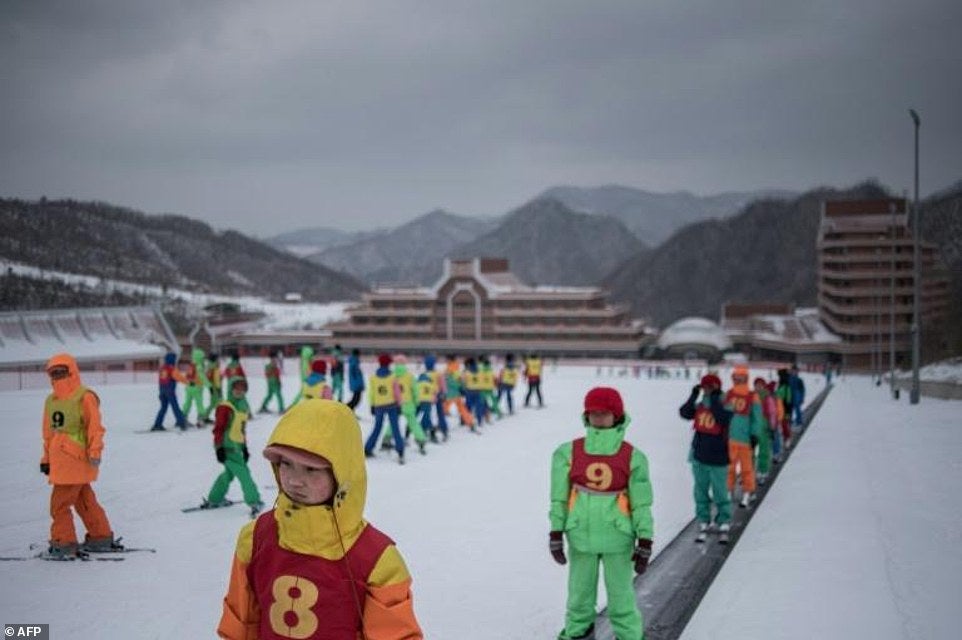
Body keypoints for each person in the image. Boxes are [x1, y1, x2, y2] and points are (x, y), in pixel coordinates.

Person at [216, 400, 423, 639]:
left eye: (311, 469)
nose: (294, 480)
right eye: (286, 464)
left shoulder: (377, 559)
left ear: (342, 474)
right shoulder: (255, 539)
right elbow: (241, 624)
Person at [549, 387, 653, 640]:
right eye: (593, 413)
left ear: (616, 416)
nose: (598, 418)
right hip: (580, 538)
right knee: (578, 598)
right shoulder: (567, 452)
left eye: (604, 413)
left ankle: (630, 636)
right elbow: (559, 498)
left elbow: (641, 504)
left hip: (618, 539)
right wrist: (556, 532)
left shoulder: (633, 457)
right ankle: (577, 634)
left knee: (621, 599)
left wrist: (645, 538)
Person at [40, 353, 121, 558]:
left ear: (72, 371)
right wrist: (46, 459)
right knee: (84, 499)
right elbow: (48, 433)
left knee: (59, 505)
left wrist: (95, 451)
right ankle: (100, 537)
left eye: (61, 371)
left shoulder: (84, 396)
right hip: (61, 461)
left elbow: (95, 428)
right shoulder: (51, 400)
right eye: (53, 373)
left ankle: (64, 543)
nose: (57, 376)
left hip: (76, 459)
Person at [679, 374, 734, 543]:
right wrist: (693, 395)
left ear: (716, 387)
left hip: (719, 457)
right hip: (699, 456)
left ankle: (723, 519)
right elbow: (684, 413)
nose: (706, 390)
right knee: (700, 491)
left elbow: (722, 418)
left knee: (720, 492)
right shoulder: (701, 404)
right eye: (704, 387)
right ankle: (704, 518)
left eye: (709, 387)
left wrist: (715, 399)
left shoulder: (726, 402)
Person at [204, 377, 263, 517]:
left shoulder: (243, 406)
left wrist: (244, 448)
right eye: (236, 388)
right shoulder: (225, 407)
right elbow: (218, 429)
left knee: (229, 474)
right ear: (231, 389)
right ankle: (254, 501)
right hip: (227, 447)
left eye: (243, 389)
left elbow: (241, 429)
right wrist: (219, 448)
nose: (239, 391)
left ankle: (215, 498)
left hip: (237, 447)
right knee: (244, 474)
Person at [724, 366, 763, 508]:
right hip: (732, 438)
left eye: (740, 378)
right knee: (731, 467)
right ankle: (731, 490)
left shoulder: (752, 396)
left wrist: (754, 435)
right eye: (736, 377)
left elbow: (757, 418)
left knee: (746, 468)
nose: (738, 380)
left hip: (744, 439)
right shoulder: (730, 394)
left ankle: (746, 492)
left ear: (746, 379)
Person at [364, 353, 405, 464]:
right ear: (389, 364)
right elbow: (397, 393)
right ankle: (400, 451)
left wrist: (372, 405)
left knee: (377, 427)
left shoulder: (373, 378)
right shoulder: (393, 377)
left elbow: (371, 393)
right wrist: (400, 404)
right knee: (395, 428)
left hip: (379, 406)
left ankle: (368, 448)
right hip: (392, 405)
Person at [152, 351, 188, 431]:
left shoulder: (163, 368)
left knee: (163, 408)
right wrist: (187, 382)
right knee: (175, 407)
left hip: (162, 391)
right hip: (170, 391)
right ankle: (182, 423)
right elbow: (179, 377)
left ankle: (157, 424)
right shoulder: (172, 368)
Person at [752, 377, 775, 484]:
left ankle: (763, 471)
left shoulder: (767, 397)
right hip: (753, 426)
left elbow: (772, 413)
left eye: (760, 385)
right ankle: (750, 472)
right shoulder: (751, 396)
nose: (758, 387)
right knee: (750, 451)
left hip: (764, 426)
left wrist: (772, 427)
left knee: (764, 450)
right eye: (756, 385)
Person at [423, 355, 449, 438]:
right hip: (438, 395)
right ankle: (444, 429)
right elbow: (443, 385)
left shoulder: (424, 374)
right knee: (440, 413)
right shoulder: (438, 374)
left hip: (427, 396)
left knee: (427, 413)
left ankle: (428, 428)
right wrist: (444, 393)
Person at [182, 347, 207, 427]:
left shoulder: (190, 366)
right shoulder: (199, 366)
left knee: (187, 403)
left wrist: (187, 385)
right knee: (199, 404)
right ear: (199, 357)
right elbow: (202, 377)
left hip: (189, 387)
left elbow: (186, 376)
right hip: (197, 388)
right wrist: (209, 385)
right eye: (202, 357)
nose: (203, 359)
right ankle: (200, 420)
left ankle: (183, 419)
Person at [259, 349, 285, 414]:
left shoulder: (269, 366)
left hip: (270, 382)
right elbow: (275, 374)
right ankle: (281, 408)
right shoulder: (273, 365)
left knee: (269, 395)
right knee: (279, 395)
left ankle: (263, 406)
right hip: (274, 382)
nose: (276, 359)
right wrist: (278, 381)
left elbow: (267, 374)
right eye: (275, 357)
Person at [200, 352, 222, 425]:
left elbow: (208, 377)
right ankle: (220, 418)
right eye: (217, 358)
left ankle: (205, 417)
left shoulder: (209, 366)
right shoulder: (215, 367)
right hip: (215, 387)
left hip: (212, 387)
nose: (219, 360)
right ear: (215, 359)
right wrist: (218, 389)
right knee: (219, 403)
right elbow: (216, 378)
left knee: (213, 403)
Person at [346, 348, 365, 412]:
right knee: (356, 400)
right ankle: (347, 409)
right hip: (357, 385)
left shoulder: (354, 362)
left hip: (356, 384)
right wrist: (358, 384)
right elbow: (355, 375)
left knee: (355, 399)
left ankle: (350, 410)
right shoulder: (354, 362)